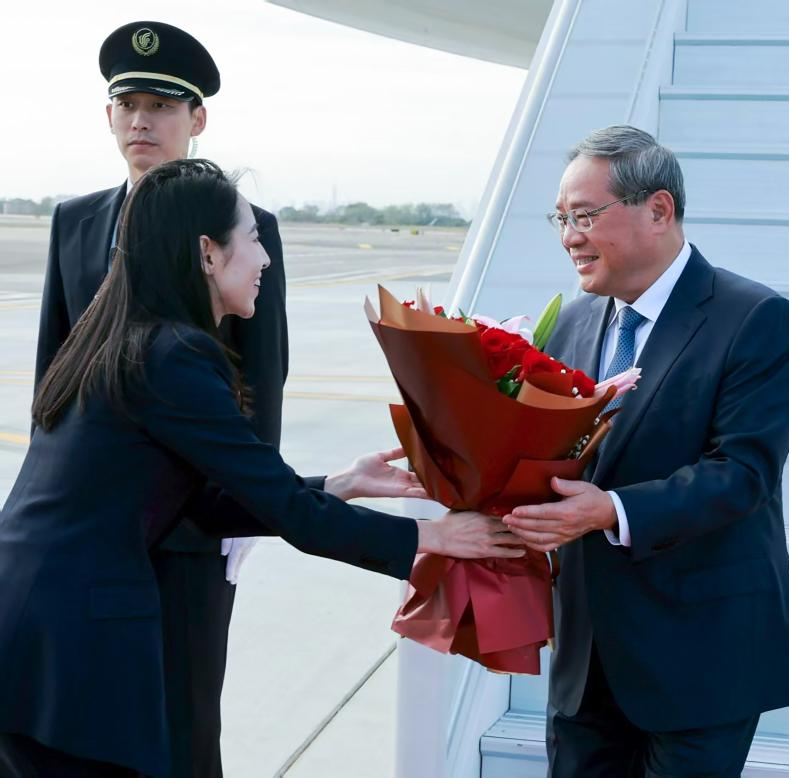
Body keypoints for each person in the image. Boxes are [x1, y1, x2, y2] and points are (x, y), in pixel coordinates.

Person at [0, 158, 523, 777]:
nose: (265, 259)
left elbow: (198, 499)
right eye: (251, 238)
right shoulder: (176, 355)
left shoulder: (124, 336)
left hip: (36, 619)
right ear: (207, 253)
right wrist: (430, 536)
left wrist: (339, 484)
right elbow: (288, 513)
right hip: (72, 635)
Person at [503, 125, 789, 777]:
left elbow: (742, 474)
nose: (568, 236)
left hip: (700, 658)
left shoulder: (753, 317)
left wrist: (608, 510)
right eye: (559, 218)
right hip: (585, 663)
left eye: (584, 215)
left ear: (659, 210)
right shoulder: (572, 322)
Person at [33, 21, 286, 776]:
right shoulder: (75, 220)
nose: (142, 120)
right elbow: (56, 370)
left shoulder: (246, 228)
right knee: (80, 722)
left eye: (162, 106)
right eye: (128, 104)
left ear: (196, 119)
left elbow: (260, 373)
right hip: (91, 533)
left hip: (190, 525)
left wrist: (253, 508)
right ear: (109, 116)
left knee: (182, 722)